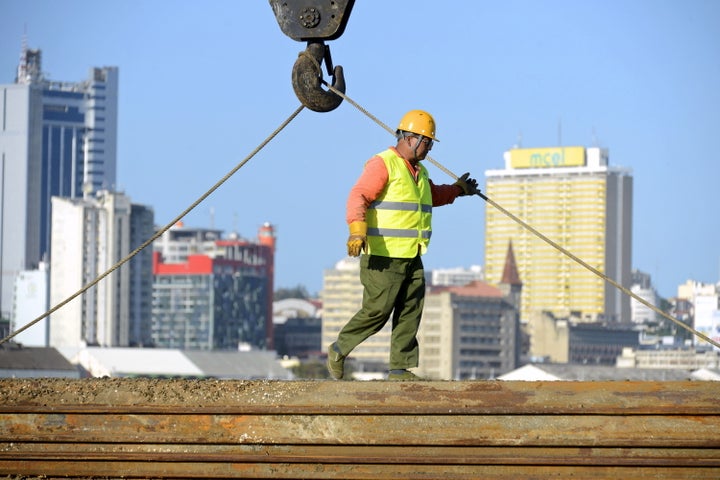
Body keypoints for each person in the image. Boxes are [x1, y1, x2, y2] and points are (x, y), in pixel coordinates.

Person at [327, 110, 478, 381]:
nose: (429, 148)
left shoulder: (419, 172)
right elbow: (358, 195)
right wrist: (356, 231)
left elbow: (432, 196)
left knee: (411, 308)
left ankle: (399, 368)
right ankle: (339, 349)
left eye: (431, 144)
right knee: (378, 311)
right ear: (410, 138)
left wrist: (458, 190)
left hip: (411, 254)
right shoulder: (383, 164)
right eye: (427, 143)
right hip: (383, 257)